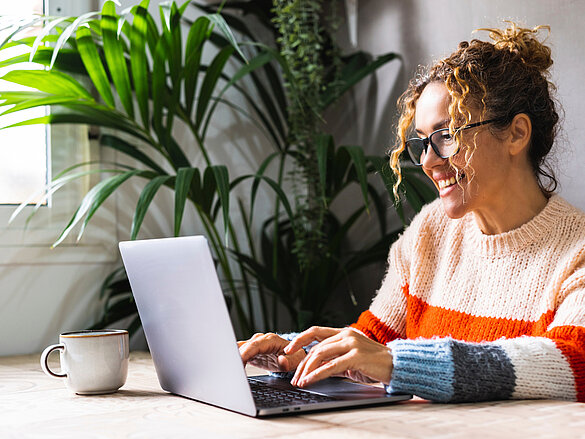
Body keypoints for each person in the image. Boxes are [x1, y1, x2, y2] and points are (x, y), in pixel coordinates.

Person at [238, 22, 585, 402]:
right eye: (421, 142)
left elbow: (571, 363)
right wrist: (294, 352)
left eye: (447, 135)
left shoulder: (576, 252)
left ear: (517, 134)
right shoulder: (430, 231)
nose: (429, 161)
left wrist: (395, 363)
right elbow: (375, 342)